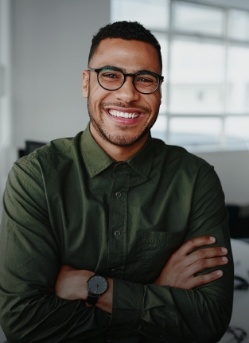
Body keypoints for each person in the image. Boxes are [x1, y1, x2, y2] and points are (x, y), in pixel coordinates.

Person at [0, 21, 234, 343]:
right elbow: (23, 323)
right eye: (110, 75)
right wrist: (157, 294)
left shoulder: (195, 179)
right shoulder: (34, 177)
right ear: (86, 82)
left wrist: (93, 288)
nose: (127, 94)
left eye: (145, 79)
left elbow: (209, 320)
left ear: (159, 92)